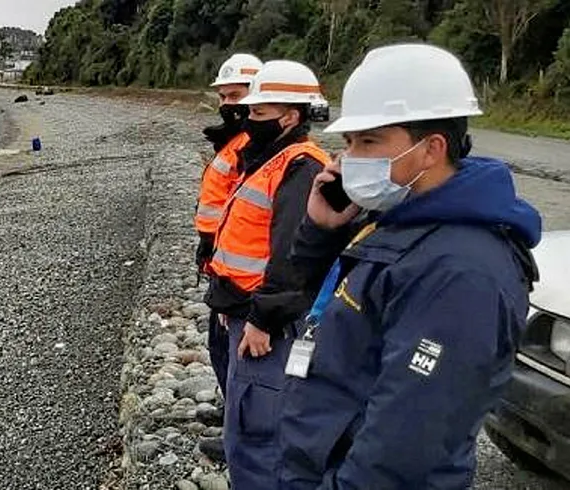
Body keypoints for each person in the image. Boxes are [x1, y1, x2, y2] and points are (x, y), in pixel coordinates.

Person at [278, 43, 541, 489]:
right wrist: (321, 234)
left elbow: (404, 449)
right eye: (349, 143)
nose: (349, 160)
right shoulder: (399, 220)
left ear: (431, 149)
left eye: (370, 141)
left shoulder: (460, 272)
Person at [203, 59, 331, 487]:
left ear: (290, 116)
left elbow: (293, 255)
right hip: (245, 312)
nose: (247, 119)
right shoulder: (271, 158)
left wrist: (262, 318)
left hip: (268, 327)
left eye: (259, 113)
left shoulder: (300, 165)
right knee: (244, 428)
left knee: (260, 435)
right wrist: (230, 301)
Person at [193, 52, 263, 462]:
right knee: (222, 349)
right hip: (224, 263)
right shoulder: (238, 141)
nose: (226, 105)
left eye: (234, 96)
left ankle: (242, 431)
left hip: (243, 274)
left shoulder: (256, 147)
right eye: (223, 96)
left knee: (234, 354)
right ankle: (235, 416)